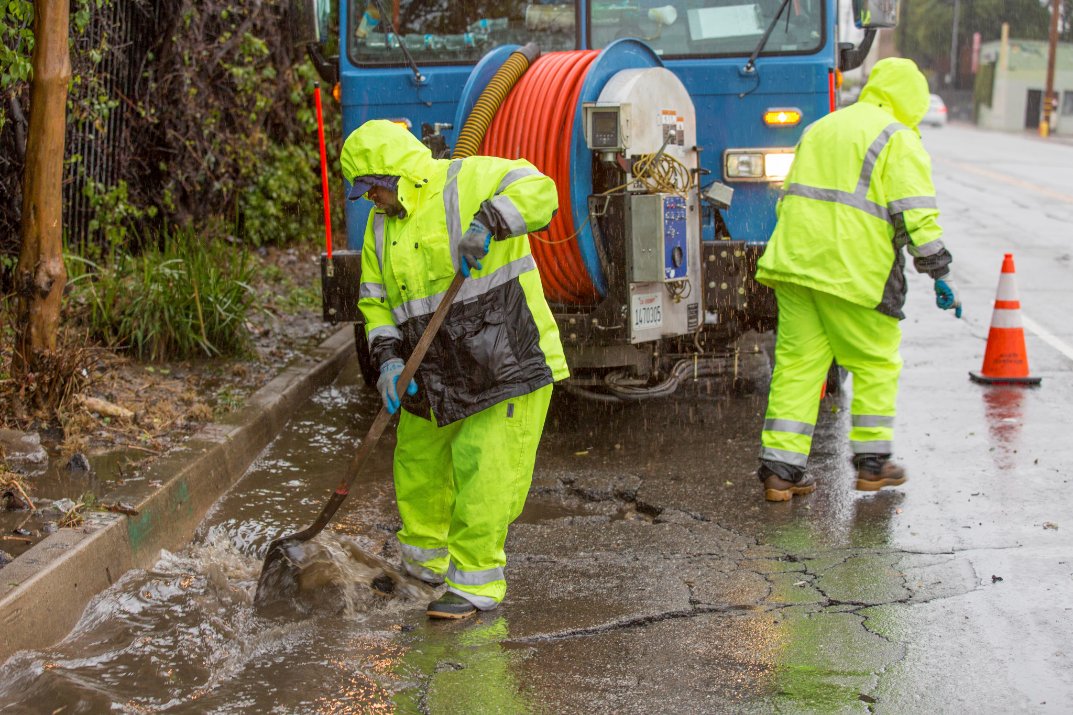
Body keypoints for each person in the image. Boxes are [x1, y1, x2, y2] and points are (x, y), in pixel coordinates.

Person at [341, 119, 569, 619]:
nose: (372, 199)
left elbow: (542, 192)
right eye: (365, 192)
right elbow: (375, 302)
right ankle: (423, 568)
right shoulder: (380, 228)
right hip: (430, 370)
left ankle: (474, 583)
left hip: (503, 359)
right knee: (418, 466)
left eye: (374, 187)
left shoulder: (470, 179)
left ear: (397, 173)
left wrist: (489, 222)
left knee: (484, 471)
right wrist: (389, 360)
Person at [754, 57, 961, 502]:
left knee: (798, 366)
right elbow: (916, 214)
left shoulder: (822, 127)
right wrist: (938, 271)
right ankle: (872, 465)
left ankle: (780, 473)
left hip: (795, 264)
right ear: (911, 100)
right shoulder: (897, 138)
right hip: (852, 271)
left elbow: (788, 197)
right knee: (875, 363)